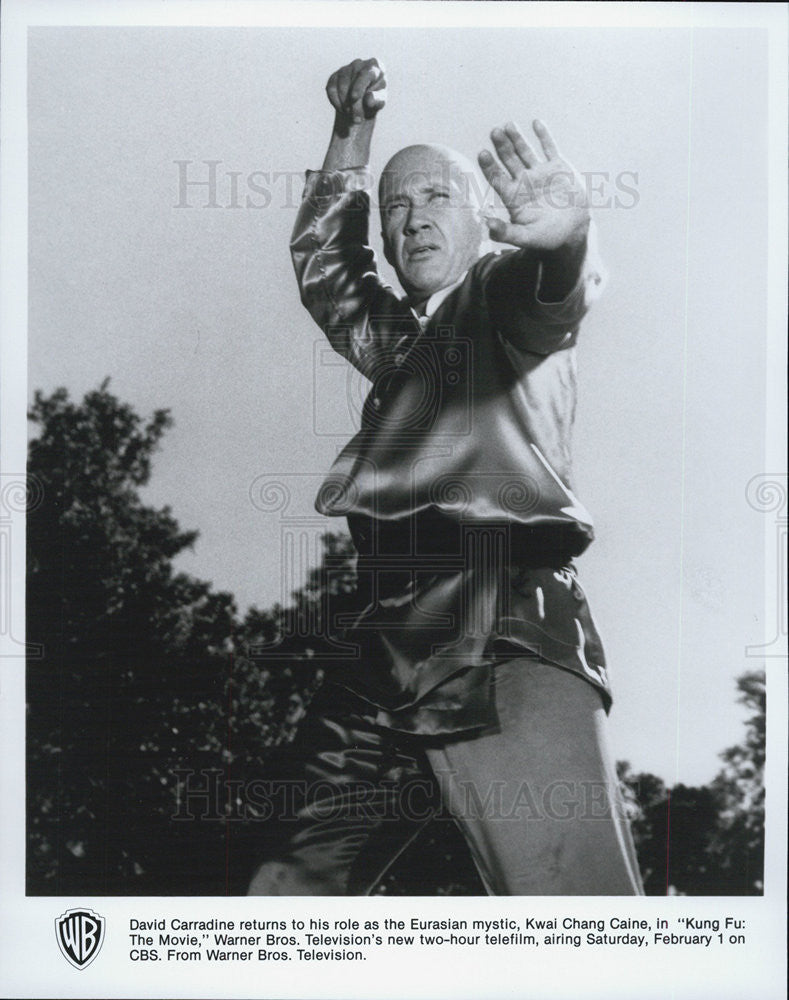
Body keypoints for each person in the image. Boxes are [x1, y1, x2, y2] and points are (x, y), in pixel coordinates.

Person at [248, 58, 643, 895]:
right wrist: (351, 133)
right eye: (395, 207)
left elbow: (557, 295)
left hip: (501, 627)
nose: (411, 219)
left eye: (434, 198)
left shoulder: (503, 296)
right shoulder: (400, 344)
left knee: (566, 900)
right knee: (282, 890)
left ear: (483, 219)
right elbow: (327, 269)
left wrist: (567, 240)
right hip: (383, 644)